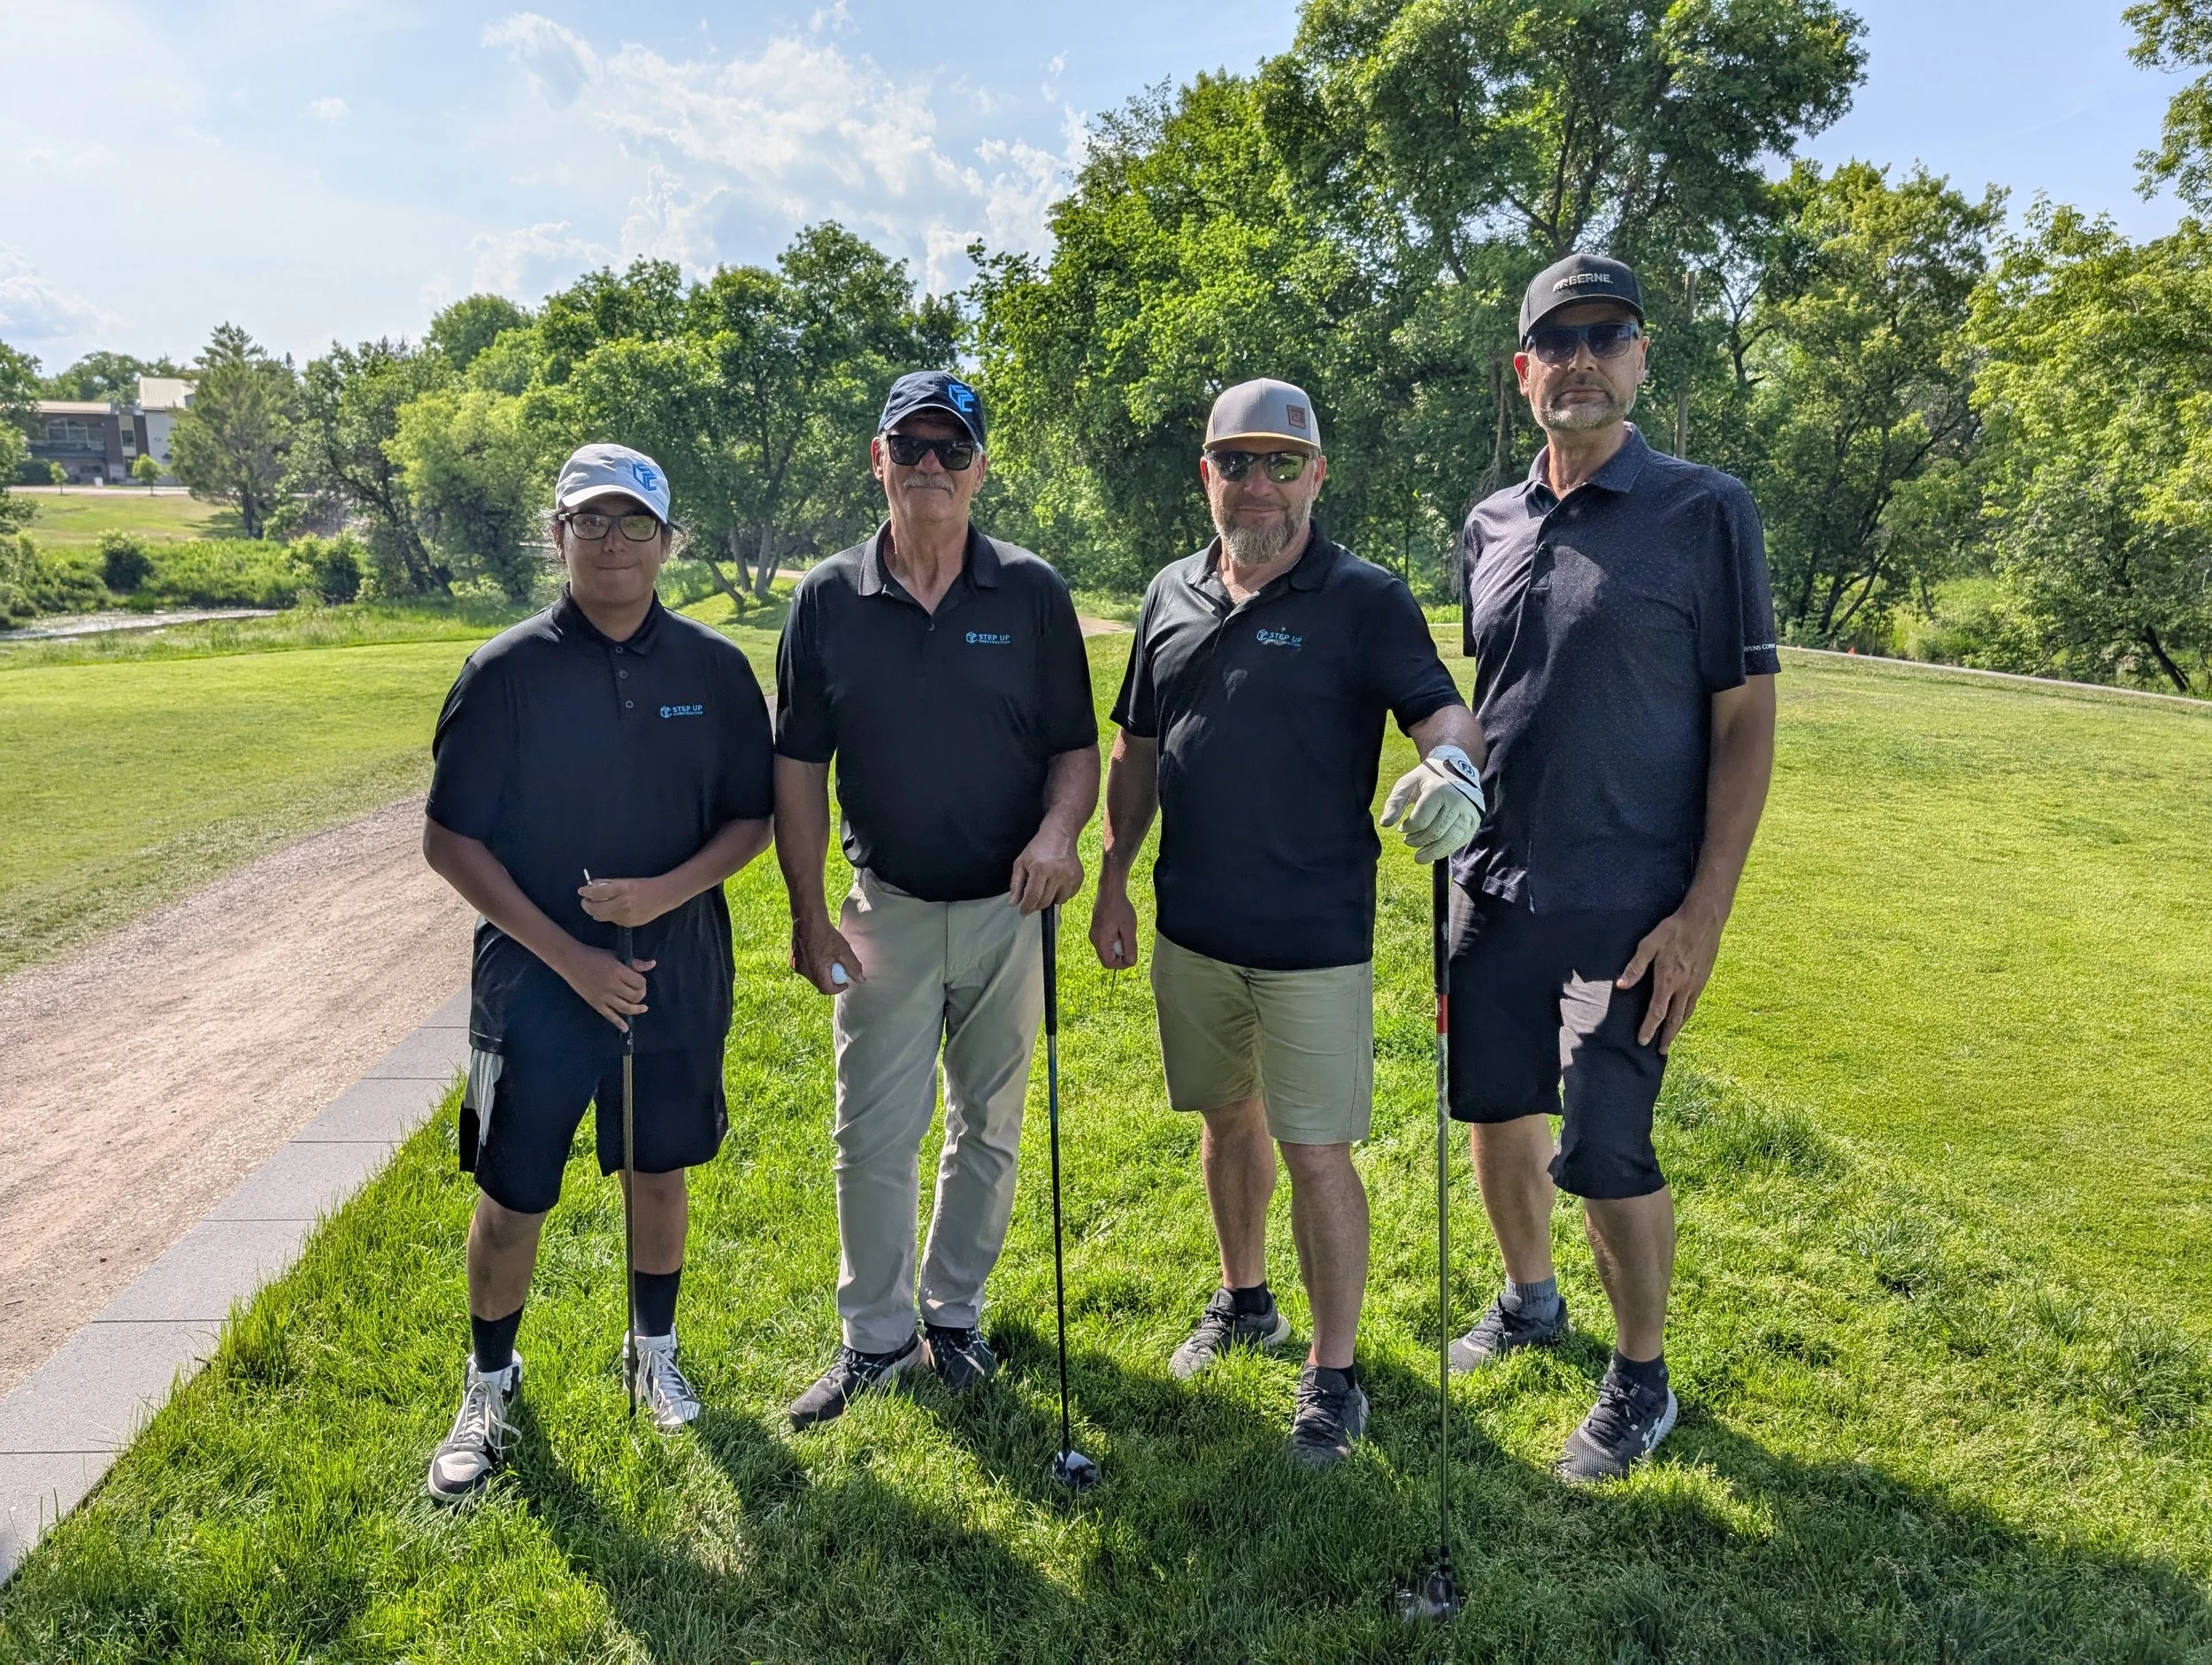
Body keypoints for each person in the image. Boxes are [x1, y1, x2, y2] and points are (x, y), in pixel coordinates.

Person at [1088, 379, 1489, 1468]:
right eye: (1234, 462)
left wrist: (1452, 764)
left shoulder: (1364, 597)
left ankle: (1333, 1368)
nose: (1256, 483)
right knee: (1227, 1123)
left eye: (1280, 462)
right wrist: (1114, 871)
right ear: (1204, 474)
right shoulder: (1169, 593)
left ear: (1317, 472)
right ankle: (1244, 1298)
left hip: (1315, 930)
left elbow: (1439, 709)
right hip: (1193, 924)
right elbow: (1135, 746)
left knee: (1317, 1151)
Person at [1448, 252, 1778, 1482]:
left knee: (1602, 1137)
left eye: (1607, 335)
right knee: (1495, 1106)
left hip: (1634, 902)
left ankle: (1641, 1378)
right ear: (1522, 368)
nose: (1580, 359)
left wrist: (1702, 912)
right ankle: (1530, 1299)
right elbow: (1494, 698)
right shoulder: (1488, 521)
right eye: (1557, 340)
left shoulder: (1706, 509)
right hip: (1492, 886)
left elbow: (1746, 719)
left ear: (1639, 358)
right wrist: (1447, 780)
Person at [419, 443, 776, 1500]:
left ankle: (651, 1350)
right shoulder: (504, 671)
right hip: (534, 974)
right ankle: (490, 1380)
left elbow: (750, 819)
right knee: (513, 1188)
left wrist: (663, 895)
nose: (612, 543)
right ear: (556, 533)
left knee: (658, 1169)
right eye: (590, 522)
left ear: (668, 541)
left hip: (677, 964)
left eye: (634, 525)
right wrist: (572, 955)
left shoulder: (713, 670)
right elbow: (451, 842)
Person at [774, 372, 1101, 1429]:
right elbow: (797, 771)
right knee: (870, 1132)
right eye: (907, 448)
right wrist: (808, 909)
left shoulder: (1033, 593)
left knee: (989, 1124)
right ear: (876, 461)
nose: (928, 467)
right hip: (887, 905)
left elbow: (1074, 752)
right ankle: (875, 1338)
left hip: (1011, 905)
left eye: (949, 451)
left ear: (979, 470)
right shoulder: (826, 599)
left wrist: (1059, 837)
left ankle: (952, 1318)